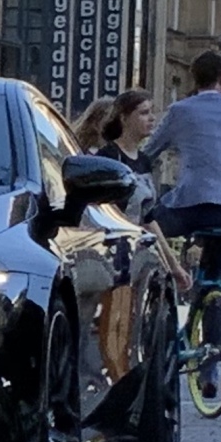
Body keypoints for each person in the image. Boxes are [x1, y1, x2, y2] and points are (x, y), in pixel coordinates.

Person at [145, 51, 221, 396]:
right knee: (213, 278)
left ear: (194, 79)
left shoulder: (181, 111)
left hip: (191, 207)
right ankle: (209, 371)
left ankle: (164, 283)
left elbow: (147, 154)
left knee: (145, 228)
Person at [90, 90, 192, 291]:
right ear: (124, 118)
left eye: (152, 112)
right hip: (111, 253)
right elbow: (98, 208)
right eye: (144, 113)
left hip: (136, 251)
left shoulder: (144, 161)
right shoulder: (108, 156)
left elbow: (149, 218)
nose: (152, 118)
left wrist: (173, 265)